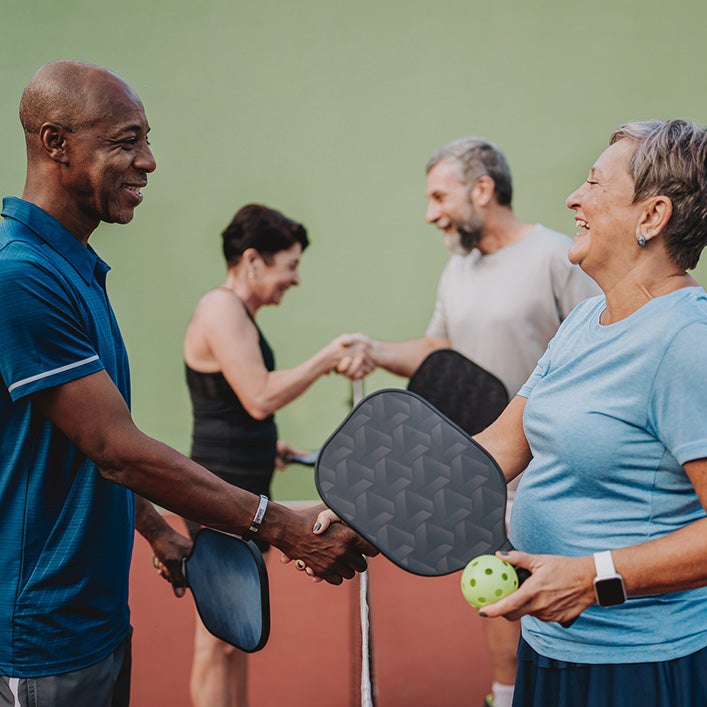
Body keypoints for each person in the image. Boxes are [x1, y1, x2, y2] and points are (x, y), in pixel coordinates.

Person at [0, 60, 374, 707]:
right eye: (125, 141)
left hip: (95, 619)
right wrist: (281, 526)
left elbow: (80, 444)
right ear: (55, 142)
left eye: (146, 139)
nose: (147, 161)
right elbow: (115, 448)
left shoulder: (76, 269)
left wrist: (154, 528)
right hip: (44, 633)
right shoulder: (21, 275)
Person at [468, 119, 707, 706]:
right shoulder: (583, 321)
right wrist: (360, 509)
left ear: (652, 217)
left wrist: (591, 576)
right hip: (551, 648)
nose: (574, 197)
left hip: (642, 665)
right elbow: (499, 447)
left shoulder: (687, 342)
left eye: (596, 184)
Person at [354, 136, 600, 707]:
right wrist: (375, 349)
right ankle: (502, 696)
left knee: (559, 610)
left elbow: (596, 340)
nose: (431, 212)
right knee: (497, 599)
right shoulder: (457, 269)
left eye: (440, 195)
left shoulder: (554, 255)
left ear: (482, 190)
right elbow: (439, 348)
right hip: (484, 466)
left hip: (552, 474)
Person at [182, 203, 371, 707]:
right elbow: (259, 396)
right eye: (289, 265)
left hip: (242, 487)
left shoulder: (237, 313)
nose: (295, 279)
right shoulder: (220, 307)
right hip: (219, 490)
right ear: (252, 261)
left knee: (234, 636)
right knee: (217, 641)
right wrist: (328, 358)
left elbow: (233, 407)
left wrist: (270, 446)